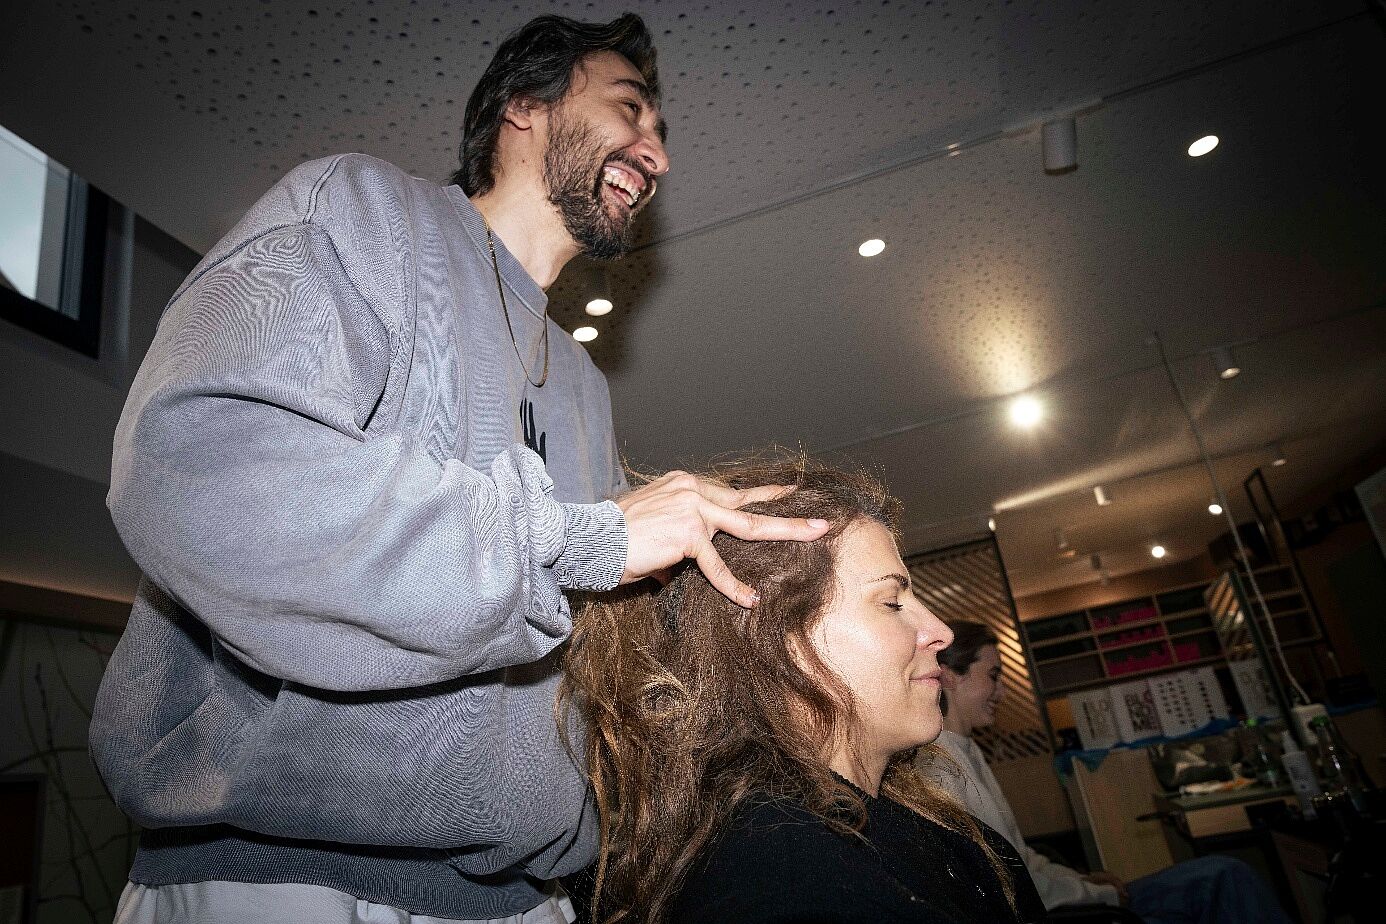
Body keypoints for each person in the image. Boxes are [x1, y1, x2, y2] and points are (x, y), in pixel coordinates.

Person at [89, 14, 828, 924]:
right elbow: (206, 469)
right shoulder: (360, 211)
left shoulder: (585, 384)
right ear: (524, 106)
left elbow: (574, 624)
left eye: (662, 132)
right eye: (630, 107)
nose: (658, 154)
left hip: (527, 897)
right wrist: (583, 538)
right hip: (285, 881)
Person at [562, 457, 1047, 924]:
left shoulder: (937, 835)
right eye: (891, 602)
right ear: (776, 642)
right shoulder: (785, 888)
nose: (941, 632)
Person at [924, 620, 1295, 924]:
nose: (1002, 692)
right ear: (950, 677)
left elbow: (1020, 856)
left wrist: (1081, 880)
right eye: (993, 675)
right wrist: (1099, 894)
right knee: (1224, 876)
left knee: (1222, 876)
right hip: (1067, 911)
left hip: (1073, 898)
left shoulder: (967, 750)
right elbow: (1009, 881)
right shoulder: (944, 765)